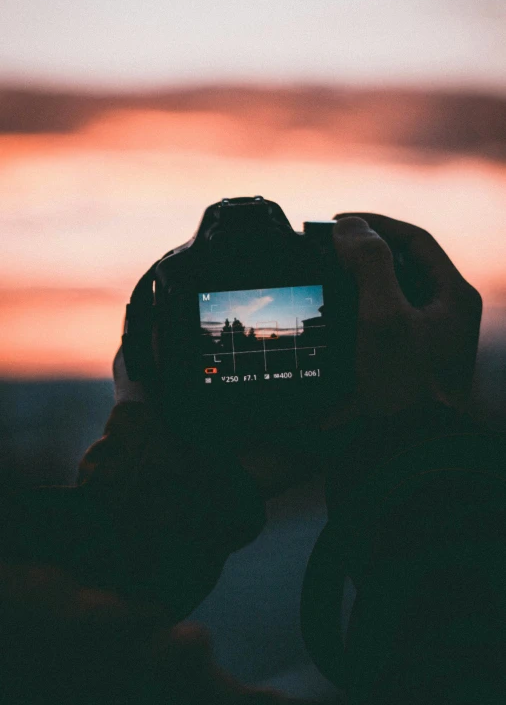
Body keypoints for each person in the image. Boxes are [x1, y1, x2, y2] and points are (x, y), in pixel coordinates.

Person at [0, 213, 491, 704]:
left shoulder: (43, 652)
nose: (193, 641)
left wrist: (153, 485)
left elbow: (61, 618)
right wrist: (424, 455)